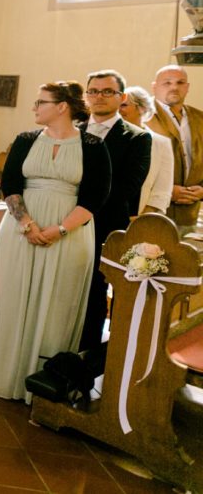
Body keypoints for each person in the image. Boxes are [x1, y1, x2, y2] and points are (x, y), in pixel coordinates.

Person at [0, 82, 110, 402]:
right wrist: (27, 224)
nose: (35, 107)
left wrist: (60, 229)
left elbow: (96, 196)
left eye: (41, 102)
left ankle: (43, 384)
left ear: (62, 106)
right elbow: (9, 185)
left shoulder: (92, 145)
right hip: (19, 231)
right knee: (15, 298)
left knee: (57, 305)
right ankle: (5, 374)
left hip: (71, 234)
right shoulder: (25, 141)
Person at [78, 70, 151, 351]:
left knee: (94, 293)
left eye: (107, 91)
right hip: (60, 222)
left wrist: (79, 211)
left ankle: (84, 357)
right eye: (93, 91)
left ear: (121, 97)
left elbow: (127, 188)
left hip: (104, 226)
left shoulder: (137, 138)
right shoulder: (72, 130)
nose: (99, 96)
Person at [146, 65, 203, 235]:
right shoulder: (144, 116)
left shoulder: (200, 118)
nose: (174, 87)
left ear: (187, 87)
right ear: (154, 87)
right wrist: (166, 190)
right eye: (167, 83)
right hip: (152, 211)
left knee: (185, 259)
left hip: (189, 214)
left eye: (180, 82)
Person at [119, 86, 174, 215]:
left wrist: (142, 219)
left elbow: (162, 190)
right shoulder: (108, 138)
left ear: (141, 109)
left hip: (140, 217)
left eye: (124, 105)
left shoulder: (161, 144)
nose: (118, 110)